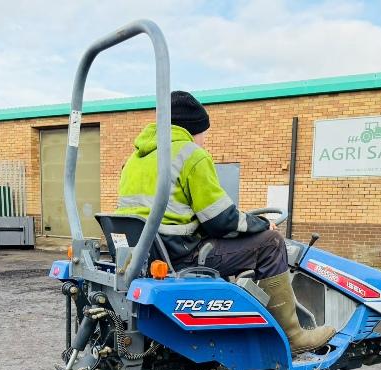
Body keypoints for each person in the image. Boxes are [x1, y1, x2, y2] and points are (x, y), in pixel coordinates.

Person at [116, 91, 334, 353]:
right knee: (271, 243)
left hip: (146, 254)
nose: (204, 140)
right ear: (193, 128)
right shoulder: (190, 154)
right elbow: (219, 220)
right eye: (204, 133)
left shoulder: (135, 159)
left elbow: (180, 212)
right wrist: (261, 224)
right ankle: (293, 336)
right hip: (180, 254)